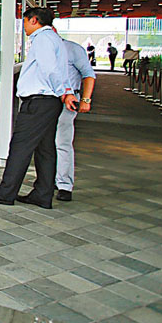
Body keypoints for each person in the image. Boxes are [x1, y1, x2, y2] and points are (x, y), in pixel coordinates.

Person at [0, 7, 75, 209]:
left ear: (34, 20)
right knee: (45, 149)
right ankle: (42, 194)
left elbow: (50, 69)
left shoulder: (43, 38)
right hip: (48, 102)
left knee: (20, 147)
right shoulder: (53, 38)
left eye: (25, 22)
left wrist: (62, 92)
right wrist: (63, 91)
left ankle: (6, 192)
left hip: (39, 101)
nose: (24, 27)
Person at [55, 38, 96, 202]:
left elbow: (89, 75)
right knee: (48, 143)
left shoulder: (72, 49)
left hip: (68, 101)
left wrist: (86, 100)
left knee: (62, 142)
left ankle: (64, 185)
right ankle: (51, 178)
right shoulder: (43, 48)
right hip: (47, 100)